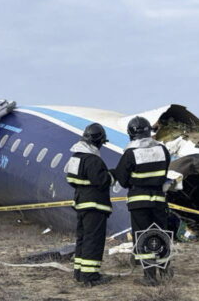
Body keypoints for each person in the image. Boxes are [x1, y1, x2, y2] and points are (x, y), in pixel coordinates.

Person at [113, 116, 172, 286]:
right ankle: (165, 270)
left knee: (143, 237)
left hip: (139, 203)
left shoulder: (130, 153)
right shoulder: (162, 150)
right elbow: (164, 173)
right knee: (161, 234)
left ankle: (150, 277)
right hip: (159, 201)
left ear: (131, 134)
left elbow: (122, 180)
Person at [66, 123, 113, 287]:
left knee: (83, 238)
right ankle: (90, 276)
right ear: (99, 141)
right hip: (95, 206)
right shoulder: (93, 160)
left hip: (81, 203)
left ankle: (79, 273)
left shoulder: (75, 157)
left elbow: (70, 180)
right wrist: (112, 175)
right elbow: (102, 181)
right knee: (94, 240)